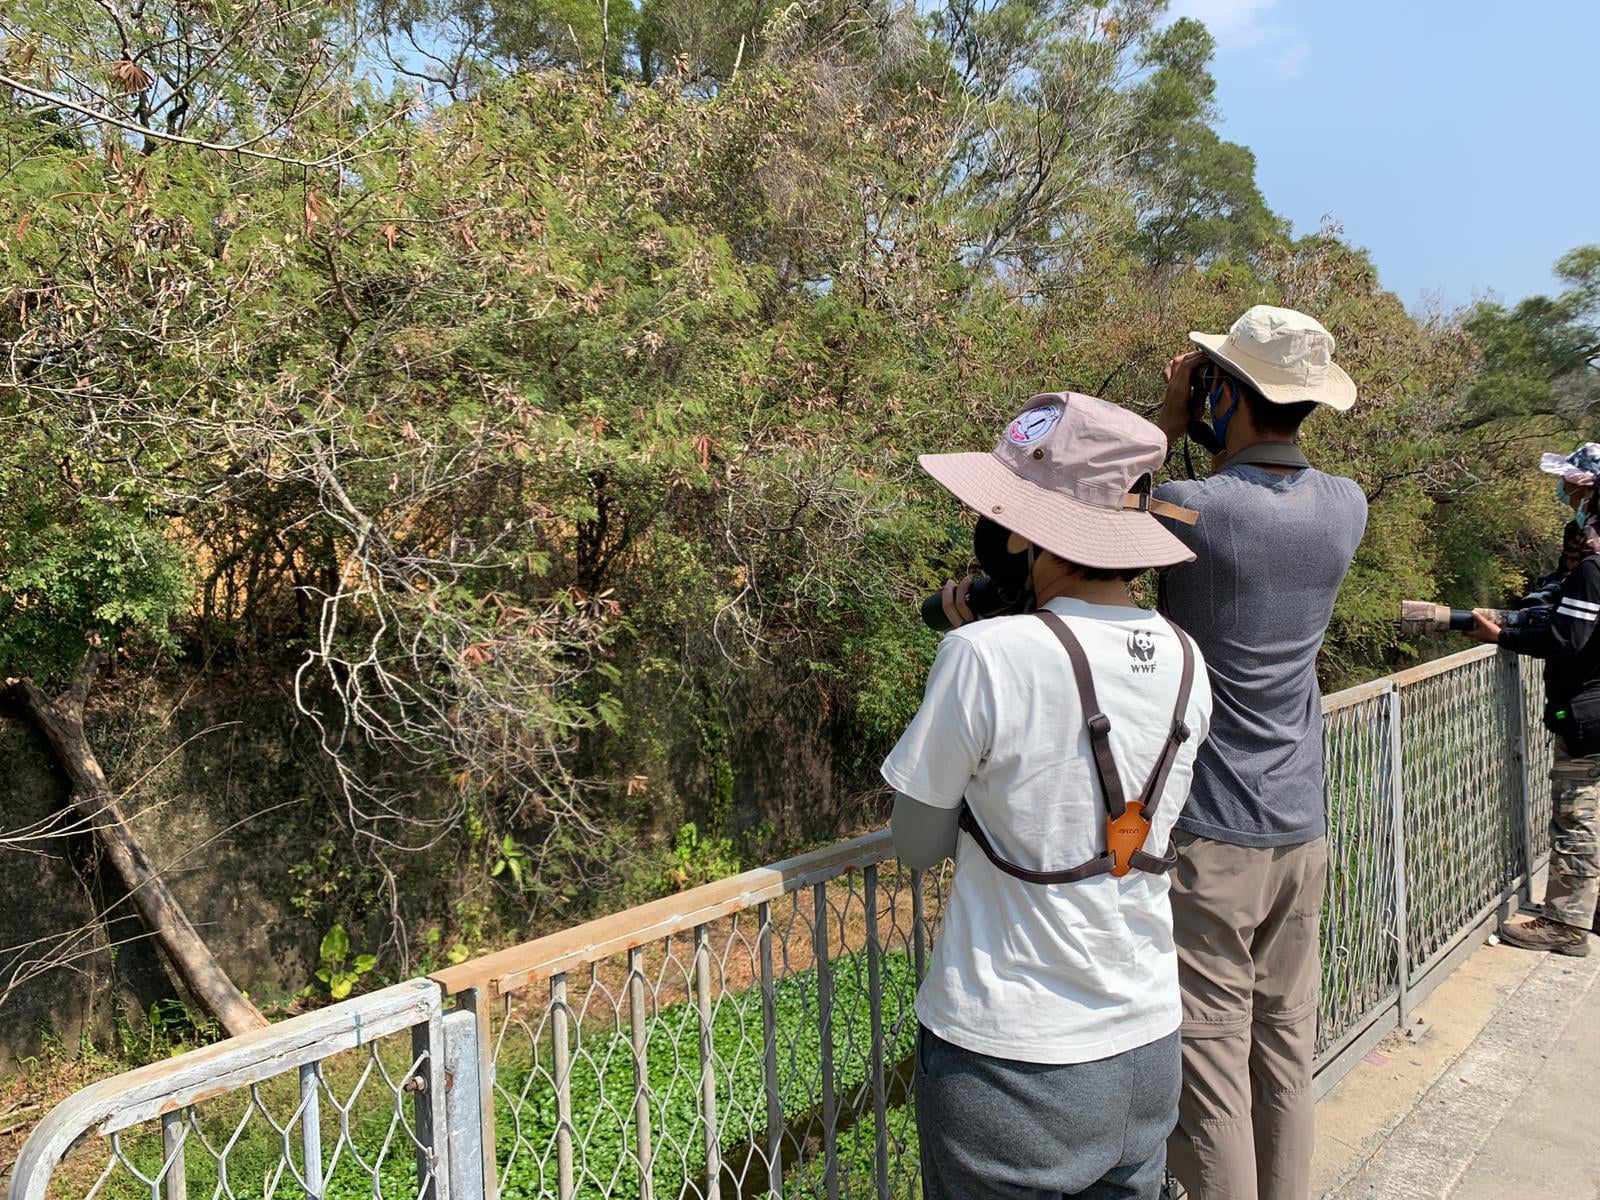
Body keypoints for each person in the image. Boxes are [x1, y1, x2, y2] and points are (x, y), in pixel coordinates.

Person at [885, 392, 1214, 1200]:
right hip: (1146, 1041)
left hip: (1012, 1055)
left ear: (1023, 531)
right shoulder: (1187, 658)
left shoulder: (985, 653)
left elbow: (917, 846)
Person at [1151, 306, 1368, 1200]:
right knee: (1284, 1048)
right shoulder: (1347, 505)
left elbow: (1099, 517)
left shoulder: (1198, 508)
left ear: (1229, 396)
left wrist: (1168, 421)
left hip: (1213, 833)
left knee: (1210, 1069)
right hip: (1300, 822)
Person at [1467, 443, 1600, 955]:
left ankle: (1566, 924)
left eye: (1573, 484)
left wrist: (1504, 636)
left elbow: (1568, 637)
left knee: (1576, 815)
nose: (1565, 491)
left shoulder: (1593, 566)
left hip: (1587, 708)